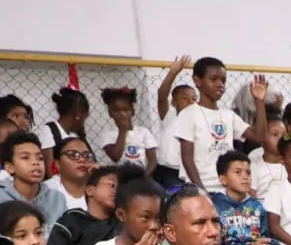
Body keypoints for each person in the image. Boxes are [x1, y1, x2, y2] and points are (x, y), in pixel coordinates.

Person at [176, 60, 263, 193]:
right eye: (213, 79)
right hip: (202, 187)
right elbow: (187, 157)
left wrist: (259, 101)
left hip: (228, 188)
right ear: (197, 81)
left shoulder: (229, 115)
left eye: (223, 80)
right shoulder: (188, 114)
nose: (219, 84)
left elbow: (259, 136)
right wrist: (201, 190)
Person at [0, 132, 66, 222]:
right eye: (25, 157)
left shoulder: (57, 198)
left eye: (40, 158)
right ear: (10, 167)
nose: (35, 162)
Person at [153, 55, 196, 187]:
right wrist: (173, 73)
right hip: (163, 170)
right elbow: (162, 95)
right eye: (184, 98)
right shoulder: (170, 116)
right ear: (173, 102)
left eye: (194, 99)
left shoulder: (197, 119)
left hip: (183, 172)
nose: (190, 101)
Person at [97, 86, 157, 172]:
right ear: (110, 113)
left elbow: (153, 161)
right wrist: (122, 131)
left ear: (132, 111)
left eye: (126, 110)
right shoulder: (108, 134)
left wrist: (144, 178)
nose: (122, 114)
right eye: (116, 110)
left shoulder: (143, 132)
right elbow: (115, 157)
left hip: (140, 176)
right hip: (119, 178)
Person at [42, 135, 95, 213]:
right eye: (73, 155)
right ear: (58, 164)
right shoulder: (45, 192)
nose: (82, 159)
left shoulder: (100, 189)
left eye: (87, 155)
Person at [35, 87, 89, 151]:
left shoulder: (75, 134)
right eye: (85, 116)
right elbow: (49, 160)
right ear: (79, 115)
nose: (83, 122)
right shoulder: (51, 131)